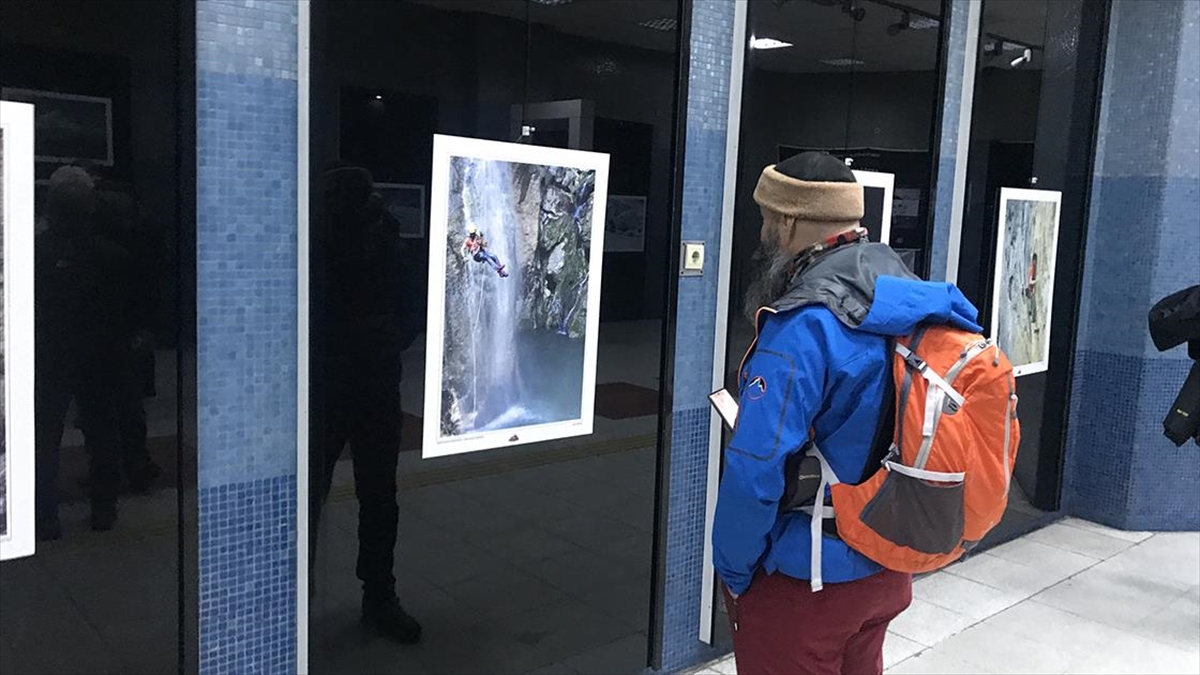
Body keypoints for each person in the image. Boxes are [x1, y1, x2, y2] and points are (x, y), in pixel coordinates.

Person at [712, 152, 983, 675]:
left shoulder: (802, 326)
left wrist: (734, 569)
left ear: (788, 221)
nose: (765, 231)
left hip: (808, 582)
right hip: (887, 563)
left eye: (768, 219)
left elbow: (755, 472)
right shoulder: (910, 296)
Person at [309, 165, 422, 644]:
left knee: (329, 495)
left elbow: (411, 304)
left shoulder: (322, 238)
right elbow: (413, 306)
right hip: (366, 379)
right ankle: (379, 595)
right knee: (377, 496)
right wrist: (389, 341)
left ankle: (370, 595)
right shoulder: (385, 238)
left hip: (335, 381)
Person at [34, 165, 136, 538]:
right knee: (102, 430)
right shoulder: (110, 253)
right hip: (100, 354)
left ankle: (44, 515)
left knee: (44, 433)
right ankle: (103, 507)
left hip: (49, 353)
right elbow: (128, 308)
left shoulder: (34, 252)